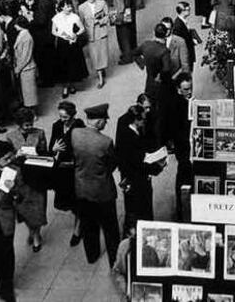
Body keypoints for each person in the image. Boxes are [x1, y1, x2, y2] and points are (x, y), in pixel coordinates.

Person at [71, 103, 120, 268]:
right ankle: (114, 259)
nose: (106, 123)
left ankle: (91, 255)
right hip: (103, 191)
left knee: (88, 225)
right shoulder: (105, 142)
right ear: (99, 121)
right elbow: (112, 164)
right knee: (110, 228)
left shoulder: (75, 134)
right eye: (105, 120)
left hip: (82, 188)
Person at [6, 108, 48, 252]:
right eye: (26, 125)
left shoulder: (40, 133)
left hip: (35, 175)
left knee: (37, 208)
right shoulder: (10, 137)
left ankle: (36, 235)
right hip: (20, 177)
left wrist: (37, 154)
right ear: (19, 125)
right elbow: (7, 158)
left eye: (30, 124)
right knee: (23, 208)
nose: (29, 127)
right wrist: (15, 155)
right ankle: (32, 230)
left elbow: (44, 152)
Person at [115, 104, 156, 235]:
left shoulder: (130, 130)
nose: (145, 121)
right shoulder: (129, 136)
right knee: (137, 209)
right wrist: (156, 167)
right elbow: (136, 163)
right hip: (136, 180)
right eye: (143, 119)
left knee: (135, 209)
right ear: (136, 120)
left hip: (135, 177)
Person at [49, 101, 85, 246]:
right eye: (60, 116)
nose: (62, 119)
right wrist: (54, 148)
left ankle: (78, 229)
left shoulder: (79, 126)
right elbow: (52, 146)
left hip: (75, 167)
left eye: (65, 117)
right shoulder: (57, 126)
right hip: (62, 168)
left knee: (77, 200)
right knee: (69, 199)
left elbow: (83, 147)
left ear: (72, 115)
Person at [0, 140, 23, 302]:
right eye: (6, 158)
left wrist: (13, 191)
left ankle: (5, 289)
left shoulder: (14, 172)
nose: (10, 161)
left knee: (6, 254)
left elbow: (20, 197)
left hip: (4, 219)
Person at [52, 0, 88, 98]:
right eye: (67, 6)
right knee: (63, 65)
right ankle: (65, 87)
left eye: (70, 6)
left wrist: (75, 35)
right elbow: (53, 31)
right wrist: (61, 35)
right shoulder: (56, 17)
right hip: (62, 43)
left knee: (72, 64)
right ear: (62, 7)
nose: (69, 8)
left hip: (72, 42)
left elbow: (82, 29)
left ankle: (72, 85)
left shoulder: (74, 17)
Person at [170, 73, 193, 220]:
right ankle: (181, 208)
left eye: (190, 88)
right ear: (179, 89)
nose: (189, 92)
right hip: (183, 147)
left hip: (187, 145)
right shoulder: (177, 105)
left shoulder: (188, 101)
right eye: (185, 89)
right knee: (184, 175)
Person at [78, 0, 109, 89]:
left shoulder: (102, 3)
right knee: (94, 56)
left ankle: (101, 69)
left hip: (101, 32)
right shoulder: (81, 8)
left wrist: (99, 21)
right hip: (90, 35)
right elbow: (81, 22)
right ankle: (100, 77)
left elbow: (107, 16)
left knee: (102, 53)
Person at [132, 23, 171, 102]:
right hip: (162, 83)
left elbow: (134, 53)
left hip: (149, 80)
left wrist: (142, 63)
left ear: (154, 32)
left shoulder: (146, 44)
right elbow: (166, 69)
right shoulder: (164, 51)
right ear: (166, 34)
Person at [32, 0, 56, 87]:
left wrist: (31, 19)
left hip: (43, 36)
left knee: (44, 60)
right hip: (50, 34)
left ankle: (47, 81)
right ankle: (51, 79)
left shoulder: (42, 3)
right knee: (50, 58)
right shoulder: (49, 0)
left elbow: (41, 21)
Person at [13, 16, 38, 112]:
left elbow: (26, 57)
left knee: (30, 94)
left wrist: (18, 68)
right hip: (24, 68)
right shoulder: (22, 34)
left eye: (16, 25)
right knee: (26, 92)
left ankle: (33, 113)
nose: (14, 26)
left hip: (27, 68)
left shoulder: (27, 37)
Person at [113, 0, 135, 65]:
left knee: (123, 37)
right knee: (127, 34)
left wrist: (116, 16)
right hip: (128, 13)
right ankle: (129, 53)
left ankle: (127, 57)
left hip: (121, 15)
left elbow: (120, 6)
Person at [173, 2, 196, 72]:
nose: (189, 11)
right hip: (186, 54)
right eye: (188, 10)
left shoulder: (181, 21)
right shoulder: (178, 25)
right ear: (182, 11)